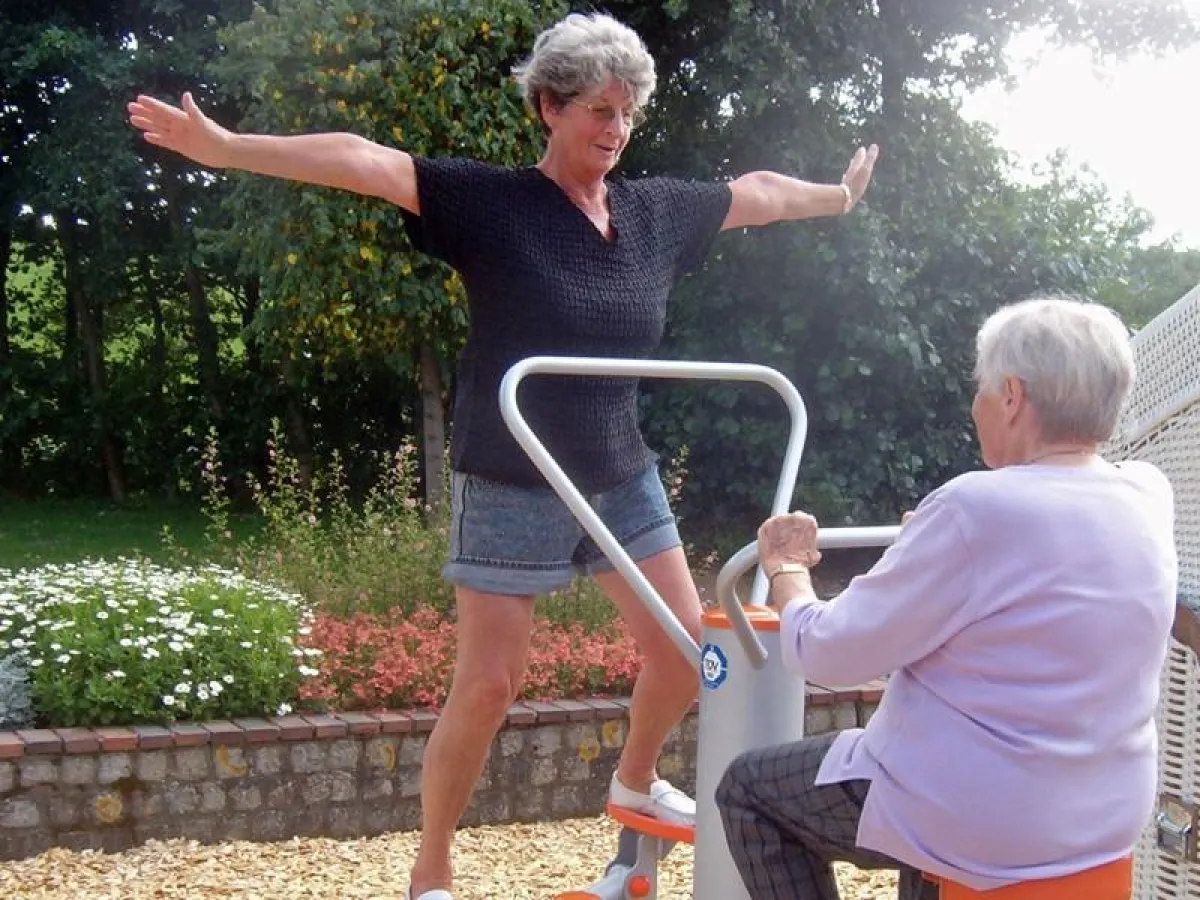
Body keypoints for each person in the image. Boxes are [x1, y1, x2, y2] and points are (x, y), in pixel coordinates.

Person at [128, 11, 878, 900]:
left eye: (626, 112)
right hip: (515, 469)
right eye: (597, 109)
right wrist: (226, 148)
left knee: (682, 649)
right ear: (549, 108)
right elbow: (366, 160)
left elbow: (756, 192)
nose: (613, 128)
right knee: (488, 684)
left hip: (616, 469)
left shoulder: (653, 214)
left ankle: (634, 779)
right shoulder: (493, 204)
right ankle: (432, 868)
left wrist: (837, 196)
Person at [717, 294, 1178, 900]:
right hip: (1102, 819)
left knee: (749, 791)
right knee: (928, 797)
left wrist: (787, 570)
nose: (976, 405)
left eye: (982, 389)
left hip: (983, 821)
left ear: (1011, 396)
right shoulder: (1147, 494)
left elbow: (825, 653)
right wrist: (928, 547)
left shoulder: (973, 507)